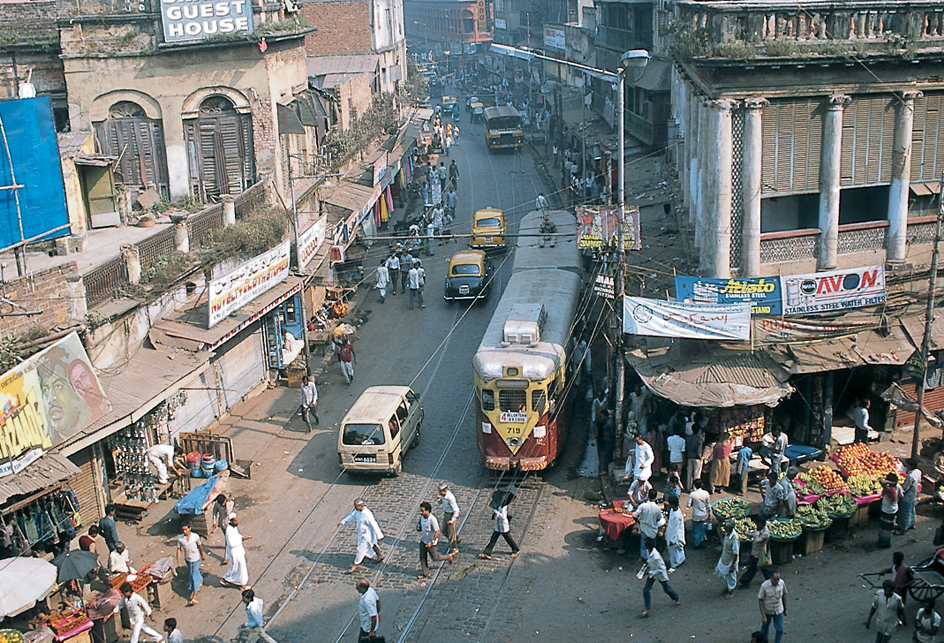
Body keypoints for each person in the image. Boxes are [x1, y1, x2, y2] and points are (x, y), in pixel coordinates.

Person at [37, 347, 91, 442]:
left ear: (76, 389)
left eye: (58, 386)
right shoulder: (48, 443)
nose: (51, 398)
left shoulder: (94, 419)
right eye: (46, 390)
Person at [338, 499, 385, 574]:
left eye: (356, 506)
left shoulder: (367, 514)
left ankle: (355, 565)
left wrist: (379, 535)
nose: (355, 508)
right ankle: (380, 555)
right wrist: (343, 522)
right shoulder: (357, 511)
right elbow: (352, 517)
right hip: (362, 533)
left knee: (360, 549)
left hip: (368, 535)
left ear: (360, 506)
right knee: (372, 544)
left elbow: (374, 524)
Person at [640, 538, 681, 618]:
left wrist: (648, 573)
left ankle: (676, 597)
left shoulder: (656, 557)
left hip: (659, 574)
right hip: (653, 572)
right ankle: (647, 609)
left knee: (666, 588)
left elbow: (659, 569)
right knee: (646, 590)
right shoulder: (650, 552)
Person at [418, 501, 455, 578]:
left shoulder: (432, 519)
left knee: (435, 558)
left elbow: (437, 532)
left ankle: (449, 557)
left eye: (422, 511)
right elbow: (420, 525)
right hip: (423, 540)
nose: (421, 512)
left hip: (431, 543)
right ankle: (426, 572)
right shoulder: (422, 517)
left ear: (427, 511)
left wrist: (432, 542)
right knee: (422, 557)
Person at [176, 521, 205, 605]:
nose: (184, 531)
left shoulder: (195, 536)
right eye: (183, 530)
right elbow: (179, 549)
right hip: (187, 559)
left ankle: (194, 596)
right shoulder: (180, 538)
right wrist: (178, 560)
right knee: (194, 572)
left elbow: (200, 546)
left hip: (195, 559)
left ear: (189, 528)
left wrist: (202, 555)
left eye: (186, 529)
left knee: (193, 575)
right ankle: (200, 580)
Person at [739, 515, 772, 589]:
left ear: (761, 523)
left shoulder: (766, 532)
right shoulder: (760, 530)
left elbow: (758, 540)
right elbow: (754, 534)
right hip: (755, 552)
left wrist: (756, 533)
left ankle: (745, 581)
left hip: (760, 553)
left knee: (753, 568)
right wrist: (748, 534)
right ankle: (769, 579)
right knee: (763, 567)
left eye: (757, 523)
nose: (756, 525)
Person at [633, 489, 665, 561]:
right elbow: (659, 519)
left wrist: (638, 522)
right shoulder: (657, 508)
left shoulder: (643, 506)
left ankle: (644, 558)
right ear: (656, 497)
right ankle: (652, 558)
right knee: (652, 545)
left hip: (644, 528)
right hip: (653, 530)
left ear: (648, 496)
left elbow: (635, 515)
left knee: (643, 544)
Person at [758, 570, 788, 643]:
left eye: (778, 579)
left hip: (778, 609)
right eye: (775, 579)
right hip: (768, 610)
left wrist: (785, 608)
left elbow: (784, 596)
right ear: (770, 578)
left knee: (780, 629)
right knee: (764, 629)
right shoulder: (764, 586)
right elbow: (760, 600)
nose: (777, 581)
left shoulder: (782, 583)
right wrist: (763, 615)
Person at [222, 514, 251, 589]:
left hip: (238, 550)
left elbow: (237, 535)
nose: (237, 522)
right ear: (231, 521)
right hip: (235, 551)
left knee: (240, 566)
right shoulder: (229, 530)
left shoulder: (234, 528)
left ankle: (241, 582)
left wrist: (243, 537)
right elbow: (231, 543)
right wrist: (240, 540)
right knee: (236, 567)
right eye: (235, 520)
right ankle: (226, 578)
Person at [897, 459, 922, 534]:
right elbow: (919, 480)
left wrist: (899, 486)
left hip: (907, 497)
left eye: (907, 465)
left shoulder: (910, 476)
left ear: (911, 466)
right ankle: (911, 524)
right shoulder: (918, 472)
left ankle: (903, 529)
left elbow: (905, 488)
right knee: (911, 511)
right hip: (913, 495)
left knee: (904, 513)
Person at [879, 472, 904, 548]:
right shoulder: (898, 487)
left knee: (884, 527)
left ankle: (884, 543)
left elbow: (881, 482)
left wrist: (889, 482)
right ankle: (886, 542)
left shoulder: (890, 489)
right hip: (893, 509)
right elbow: (902, 496)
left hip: (887, 510)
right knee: (889, 528)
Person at [716, 519, 740, 599]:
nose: (724, 527)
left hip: (730, 561)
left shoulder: (734, 538)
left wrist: (732, 565)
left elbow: (735, 553)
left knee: (731, 577)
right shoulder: (727, 534)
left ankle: (731, 591)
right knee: (726, 575)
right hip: (725, 557)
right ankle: (728, 587)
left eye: (725, 526)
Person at [687, 479, 712, 548]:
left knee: (695, 530)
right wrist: (709, 514)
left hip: (696, 515)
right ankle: (702, 539)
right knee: (701, 527)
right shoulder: (706, 493)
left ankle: (696, 544)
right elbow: (708, 505)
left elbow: (688, 505)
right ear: (702, 485)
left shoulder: (692, 494)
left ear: (694, 485)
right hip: (703, 514)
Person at [438, 483, 461, 554]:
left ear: (444, 490)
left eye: (440, 491)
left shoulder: (450, 498)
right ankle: (456, 539)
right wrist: (439, 499)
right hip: (446, 514)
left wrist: (453, 519)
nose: (439, 493)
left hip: (451, 515)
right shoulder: (443, 495)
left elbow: (456, 510)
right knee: (444, 530)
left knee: (451, 533)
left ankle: (454, 548)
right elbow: (440, 502)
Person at [665, 496, 686, 572]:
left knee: (673, 551)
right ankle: (681, 559)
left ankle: (674, 565)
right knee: (678, 549)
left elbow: (676, 529)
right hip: (671, 532)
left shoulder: (676, 515)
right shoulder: (673, 510)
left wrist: (672, 540)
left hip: (675, 535)